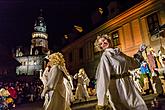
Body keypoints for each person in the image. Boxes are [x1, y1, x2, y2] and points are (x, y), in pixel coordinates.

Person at [94, 34, 148, 110]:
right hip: (117, 87)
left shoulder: (119, 53)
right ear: (100, 47)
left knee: (139, 105)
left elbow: (133, 63)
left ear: (108, 39)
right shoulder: (105, 56)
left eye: (104, 40)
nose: (103, 43)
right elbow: (103, 78)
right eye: (100, 44)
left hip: (128, 84)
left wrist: (139, 52)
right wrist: (101, 102)